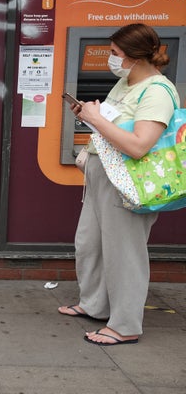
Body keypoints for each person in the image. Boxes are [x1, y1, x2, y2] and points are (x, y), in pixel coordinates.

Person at [58, 23, 178, 346]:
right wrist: (90, 117)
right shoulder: (125, 83)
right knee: (90, 243)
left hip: (128, 183)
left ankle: (125, 324)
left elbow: (140, 144)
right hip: (102, 176)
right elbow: (110, 127)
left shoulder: (157, 92)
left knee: (124, 252)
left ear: (136, 57)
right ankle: (95, 305)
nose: (109, 59)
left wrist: (96, 121)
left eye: (115, 54)